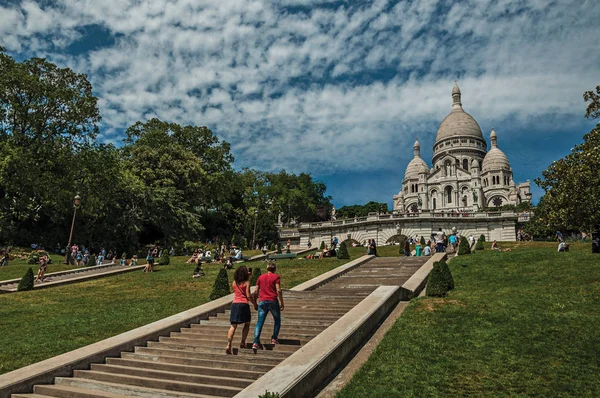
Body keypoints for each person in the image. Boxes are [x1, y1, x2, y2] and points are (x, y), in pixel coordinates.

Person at [253, 262, 284, 350]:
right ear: (274, 269)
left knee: (259, 322)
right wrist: (282, 303)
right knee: (277, 320)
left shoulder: (260, 277)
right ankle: (274, 338)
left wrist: (255, 303)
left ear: (267, 269)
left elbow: (255, 291)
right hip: (273, 300)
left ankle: (255, 342)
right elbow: (278, 290)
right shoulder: (276, 277)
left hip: (262, 301)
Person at [226, 266, 256, 354]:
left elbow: (238, 289)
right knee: (247, 324)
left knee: (233, 325)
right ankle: (243, 342)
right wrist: (254, 303)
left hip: (235, 304)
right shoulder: (247, 282)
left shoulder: (234, 283)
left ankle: (228, 344)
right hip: (243, 304)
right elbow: (248, 295)